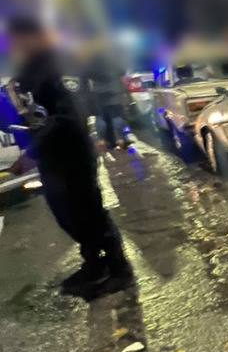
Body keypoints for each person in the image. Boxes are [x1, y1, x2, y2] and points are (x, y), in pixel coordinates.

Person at [6, 16, 133, 298]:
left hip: (73, 153)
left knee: (90, 212)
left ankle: (119, 269)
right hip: (52, 157)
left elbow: (67, 116)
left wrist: (32, 153)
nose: (15, 46)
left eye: (18, 40)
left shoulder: (61, 65)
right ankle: (94, 263)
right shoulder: (32, 68)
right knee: (66, 214)